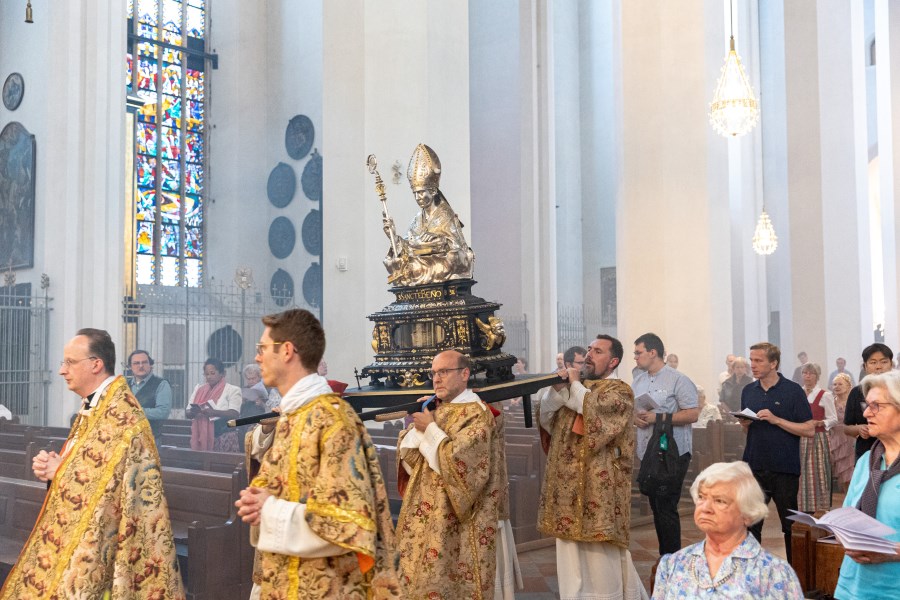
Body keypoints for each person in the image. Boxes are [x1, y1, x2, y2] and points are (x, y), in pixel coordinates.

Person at [0, 328, 184, 599]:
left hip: (104, 543)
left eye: (70, 362)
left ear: (96, 364)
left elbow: (109, 484)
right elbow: (93, 465)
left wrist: (60, 471)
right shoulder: (97, 407)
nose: (62, 370)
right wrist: (56, 465)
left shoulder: (120, 414)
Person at [235, 309, 400, 599]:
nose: (257, 357)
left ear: (287, 351)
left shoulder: (334, 420)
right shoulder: (294, 416)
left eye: (262, 349)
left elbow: (350, 523)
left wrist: (269, 509)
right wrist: (256, 500)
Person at [537, 335, 648, 599]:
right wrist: (559, 389)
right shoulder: (576, 388)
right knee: (569, 555)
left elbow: (591, 410)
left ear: (613, 361)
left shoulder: (619, 392)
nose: (588, 354)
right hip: (565, 488)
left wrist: (575, 385)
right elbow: (545, 419)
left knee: (600, 558)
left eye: (597, 351)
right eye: (589, 349)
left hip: (597, 489)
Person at [395, 350, 504, 598]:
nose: (436, 379)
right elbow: (413, 459)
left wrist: (430, 428)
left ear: (464, 374)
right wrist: (421, 426)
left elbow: (464, 467)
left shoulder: (478, 414)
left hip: (459, 519)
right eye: (433, 373)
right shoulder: (437, 407)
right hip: (427, 513)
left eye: (443, 372)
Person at [652, 461, 803, 598]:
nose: (705, 508)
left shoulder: (775, 574)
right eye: (701, 497)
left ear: (747, 513)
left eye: (719, 501)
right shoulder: (672, 565)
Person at [741, 342, 814, 563]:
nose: (752, 365)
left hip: (784, 468)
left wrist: (776, 420)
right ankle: (751, 575)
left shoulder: (793, 391)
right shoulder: (748, 391)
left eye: (758, 360)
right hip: (754, 466)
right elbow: (748, 428)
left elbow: (809, 430)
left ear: (773, 363)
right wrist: (745, 423)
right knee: (750, 525)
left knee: (791, 527)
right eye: (751, 360)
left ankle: (796, 575)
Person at [833, 371, 900, 599]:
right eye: (866, 404)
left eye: (876, 406)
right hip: (853, 587)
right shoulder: (867, 461)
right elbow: (848, 515)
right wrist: (844, 536)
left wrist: (889, 552)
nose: (865, 413)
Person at [632, 332, 699, 555]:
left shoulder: (678, 379)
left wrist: (658, 418)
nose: (635, 357)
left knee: (666, 507)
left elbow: (692, 414)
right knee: (657, 506)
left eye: (638, 352)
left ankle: (671, 558)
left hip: (672, 452)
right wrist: (636, 419)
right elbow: (635, 411)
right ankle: (666, 557)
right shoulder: (639, 380)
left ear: (653, 352)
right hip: (648, 451)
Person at [381, 144, 475, 286]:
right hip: (423, 265)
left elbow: (461, 252)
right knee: (395, 262)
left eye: (421, 192)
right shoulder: (418, 218)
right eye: (415, 193)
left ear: (432, 191)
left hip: (441, 265)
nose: (418, 197)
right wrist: (393, 236)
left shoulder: (446, 214)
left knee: (448, 260)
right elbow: (407, 248)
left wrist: (439, 240)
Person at [844, 343, 894, 460]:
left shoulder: (897, 390)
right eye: (873, 362)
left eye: (883, 362)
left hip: (895, 452)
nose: (878, 367)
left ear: (891, 364)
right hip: (867, 452)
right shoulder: (857, 392)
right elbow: (846, 428)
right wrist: (858, 429)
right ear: (865, 366)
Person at [798, 362, 836, 512]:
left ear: (817, 376)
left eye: (811, 373)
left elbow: (833, 418)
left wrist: (820, 422)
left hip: (818, 438)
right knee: (802, 471)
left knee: (818, 471)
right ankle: (804, 505)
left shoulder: (824, 395)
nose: (807, 376)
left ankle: (820, 505)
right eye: (805, 373)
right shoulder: (798, 393)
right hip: (800, 437)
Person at [186, 357, 242, 451]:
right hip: (202, 436)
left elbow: (234, 413)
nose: (209, 377)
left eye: (212, 373)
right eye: (206, 374)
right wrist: (194, 412)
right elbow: (187, 412)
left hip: (224, 437)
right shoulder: (199, 389)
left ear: (222, 373)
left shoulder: (232, 390)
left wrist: (214, 412)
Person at [126, 348, 172, 443]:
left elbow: (163, 412)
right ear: (130, 367)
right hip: (127, 440)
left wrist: (137, 412)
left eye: (145, 362)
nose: (141, 366)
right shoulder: (124, 385)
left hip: (151, 441)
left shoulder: (161, 384)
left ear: (150, 365)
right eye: (136, 363)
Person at [829, 372, 856, 491]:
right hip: (836, 441)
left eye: (840, 384)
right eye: (834, 384)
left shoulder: (853, 402)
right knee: (842, 476)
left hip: (852, 441)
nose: (837, 386)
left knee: (852, 474)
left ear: (848, 386)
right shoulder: (830, 402)